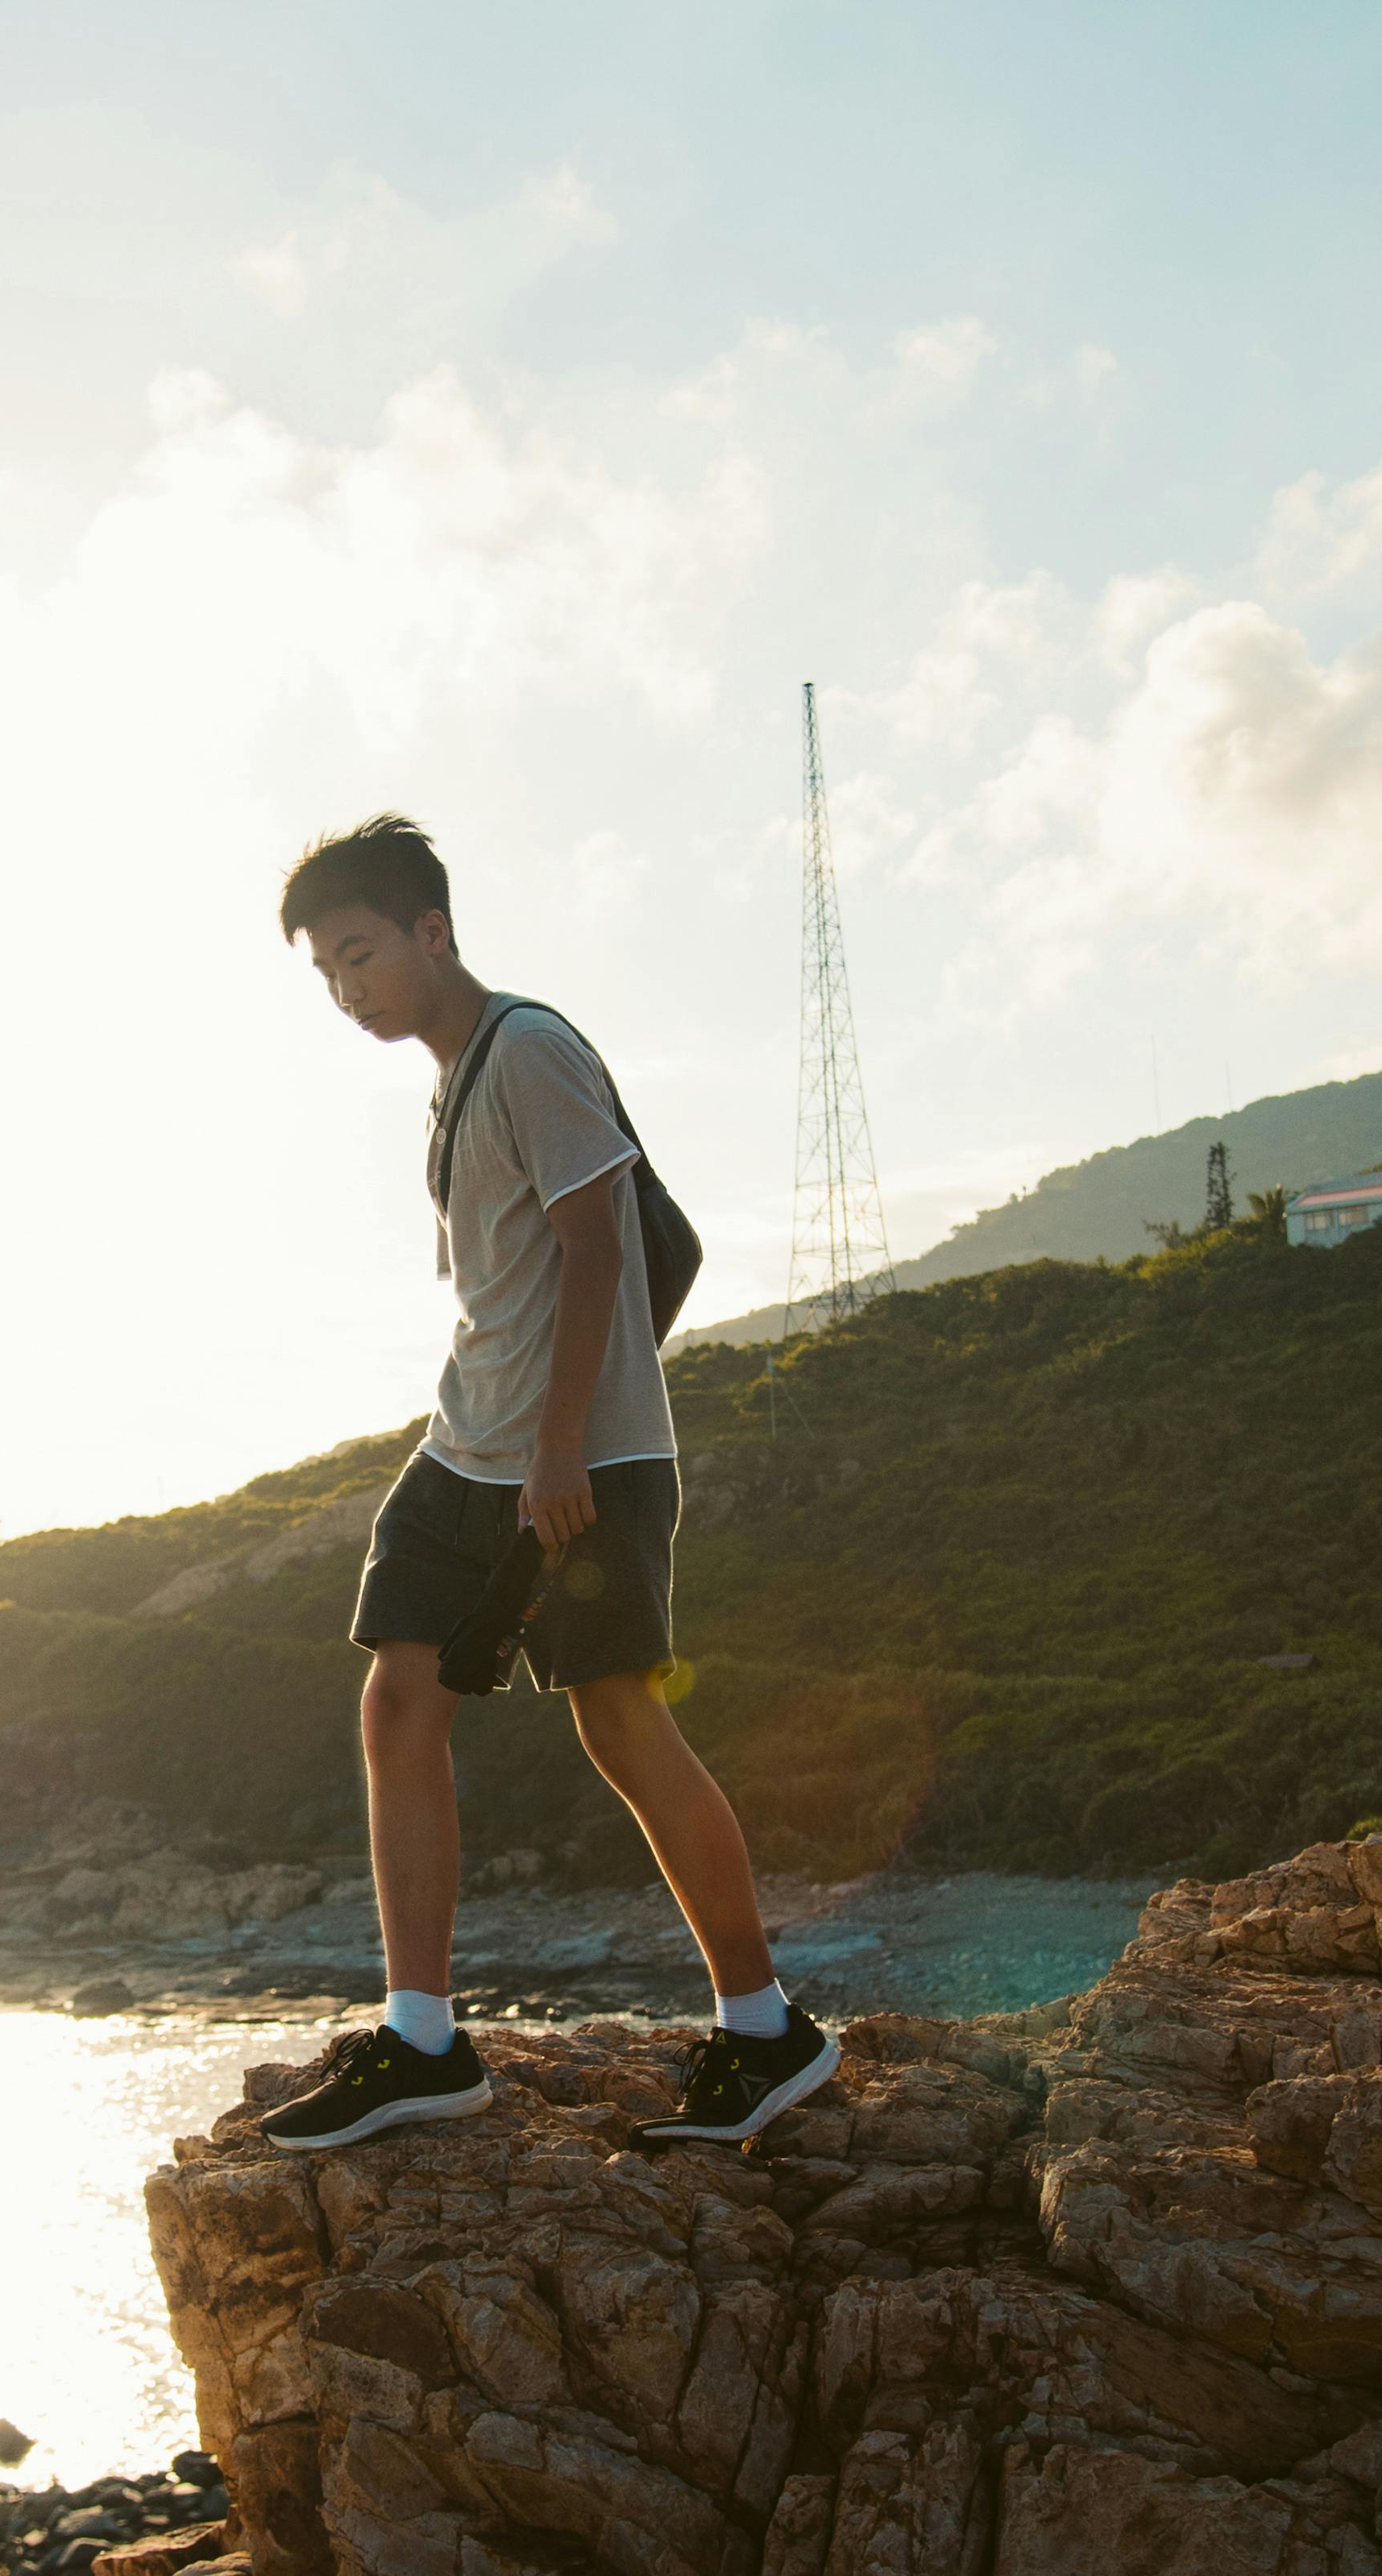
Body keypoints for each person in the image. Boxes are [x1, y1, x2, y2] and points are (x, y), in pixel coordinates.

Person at [259, 812, 837, 2155]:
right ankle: (421, 2039)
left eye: (362, 954)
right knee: (399, 1696)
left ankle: (768, 2031)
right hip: (467, 1445)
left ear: (431, 930)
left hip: (578, 1459)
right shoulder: (456, 1079)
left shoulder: (529, 1050)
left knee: (621, 1724)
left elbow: (600, 1245)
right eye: (327, 974)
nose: (350, 989)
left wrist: (567, 1439)